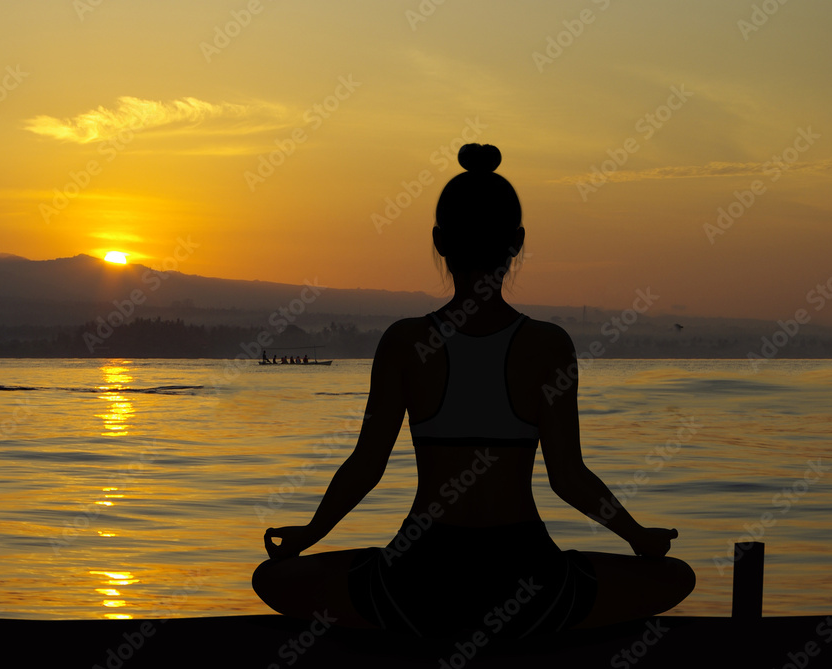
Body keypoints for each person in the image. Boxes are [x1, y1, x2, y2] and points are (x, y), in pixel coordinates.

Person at [252, 144, 695, 639]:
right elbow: (568, 478)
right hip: (528, 576)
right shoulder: (549, 345)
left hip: (419, 577)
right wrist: (638, 538)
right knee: (675, 577)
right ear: (518, 242)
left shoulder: (404, 341)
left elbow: (366, 466)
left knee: (273, 578)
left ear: (440, 241)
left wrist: (308, 536)